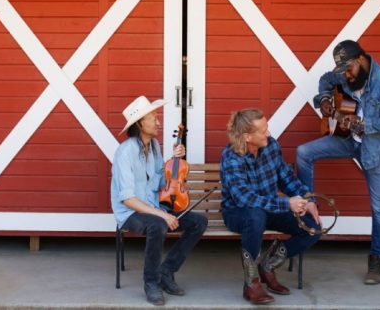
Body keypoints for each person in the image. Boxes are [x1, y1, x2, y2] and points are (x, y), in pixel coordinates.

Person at [296, 39, 380, 285]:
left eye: (349, 69)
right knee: (303, 152)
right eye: (343, 71)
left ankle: (376, 259)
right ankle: (308, 210)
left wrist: (364, 124)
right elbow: (325, 79)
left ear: (361, 60)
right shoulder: (345, 76)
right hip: (347, 139)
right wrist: (324, 99)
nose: (346, 75)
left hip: (375, 150)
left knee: (378, 207)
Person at [110, 95, 208, 306]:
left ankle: (166, 271)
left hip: (153, 206)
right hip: (131, 213)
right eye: (153, 117)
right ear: (139, 124)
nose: (158, 121)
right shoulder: (124, 153)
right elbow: (127, 199)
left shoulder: (153, 145)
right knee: (158, 225)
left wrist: (173, 161)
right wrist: (162, 214)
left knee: (199, 222)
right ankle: (151, 283)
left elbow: (157, 180)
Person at [220, 108, 322, 305]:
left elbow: (286, 177)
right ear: (247, 136)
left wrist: (307, 200)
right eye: (263, 130)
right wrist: (286, 203)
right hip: (237, 213)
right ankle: (251, 283)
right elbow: (244, 198)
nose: (268, 133)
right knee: (255, 214)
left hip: (269, 207)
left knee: (312, 228)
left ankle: (267, 266)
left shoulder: (271, 145)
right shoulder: (231, 157)